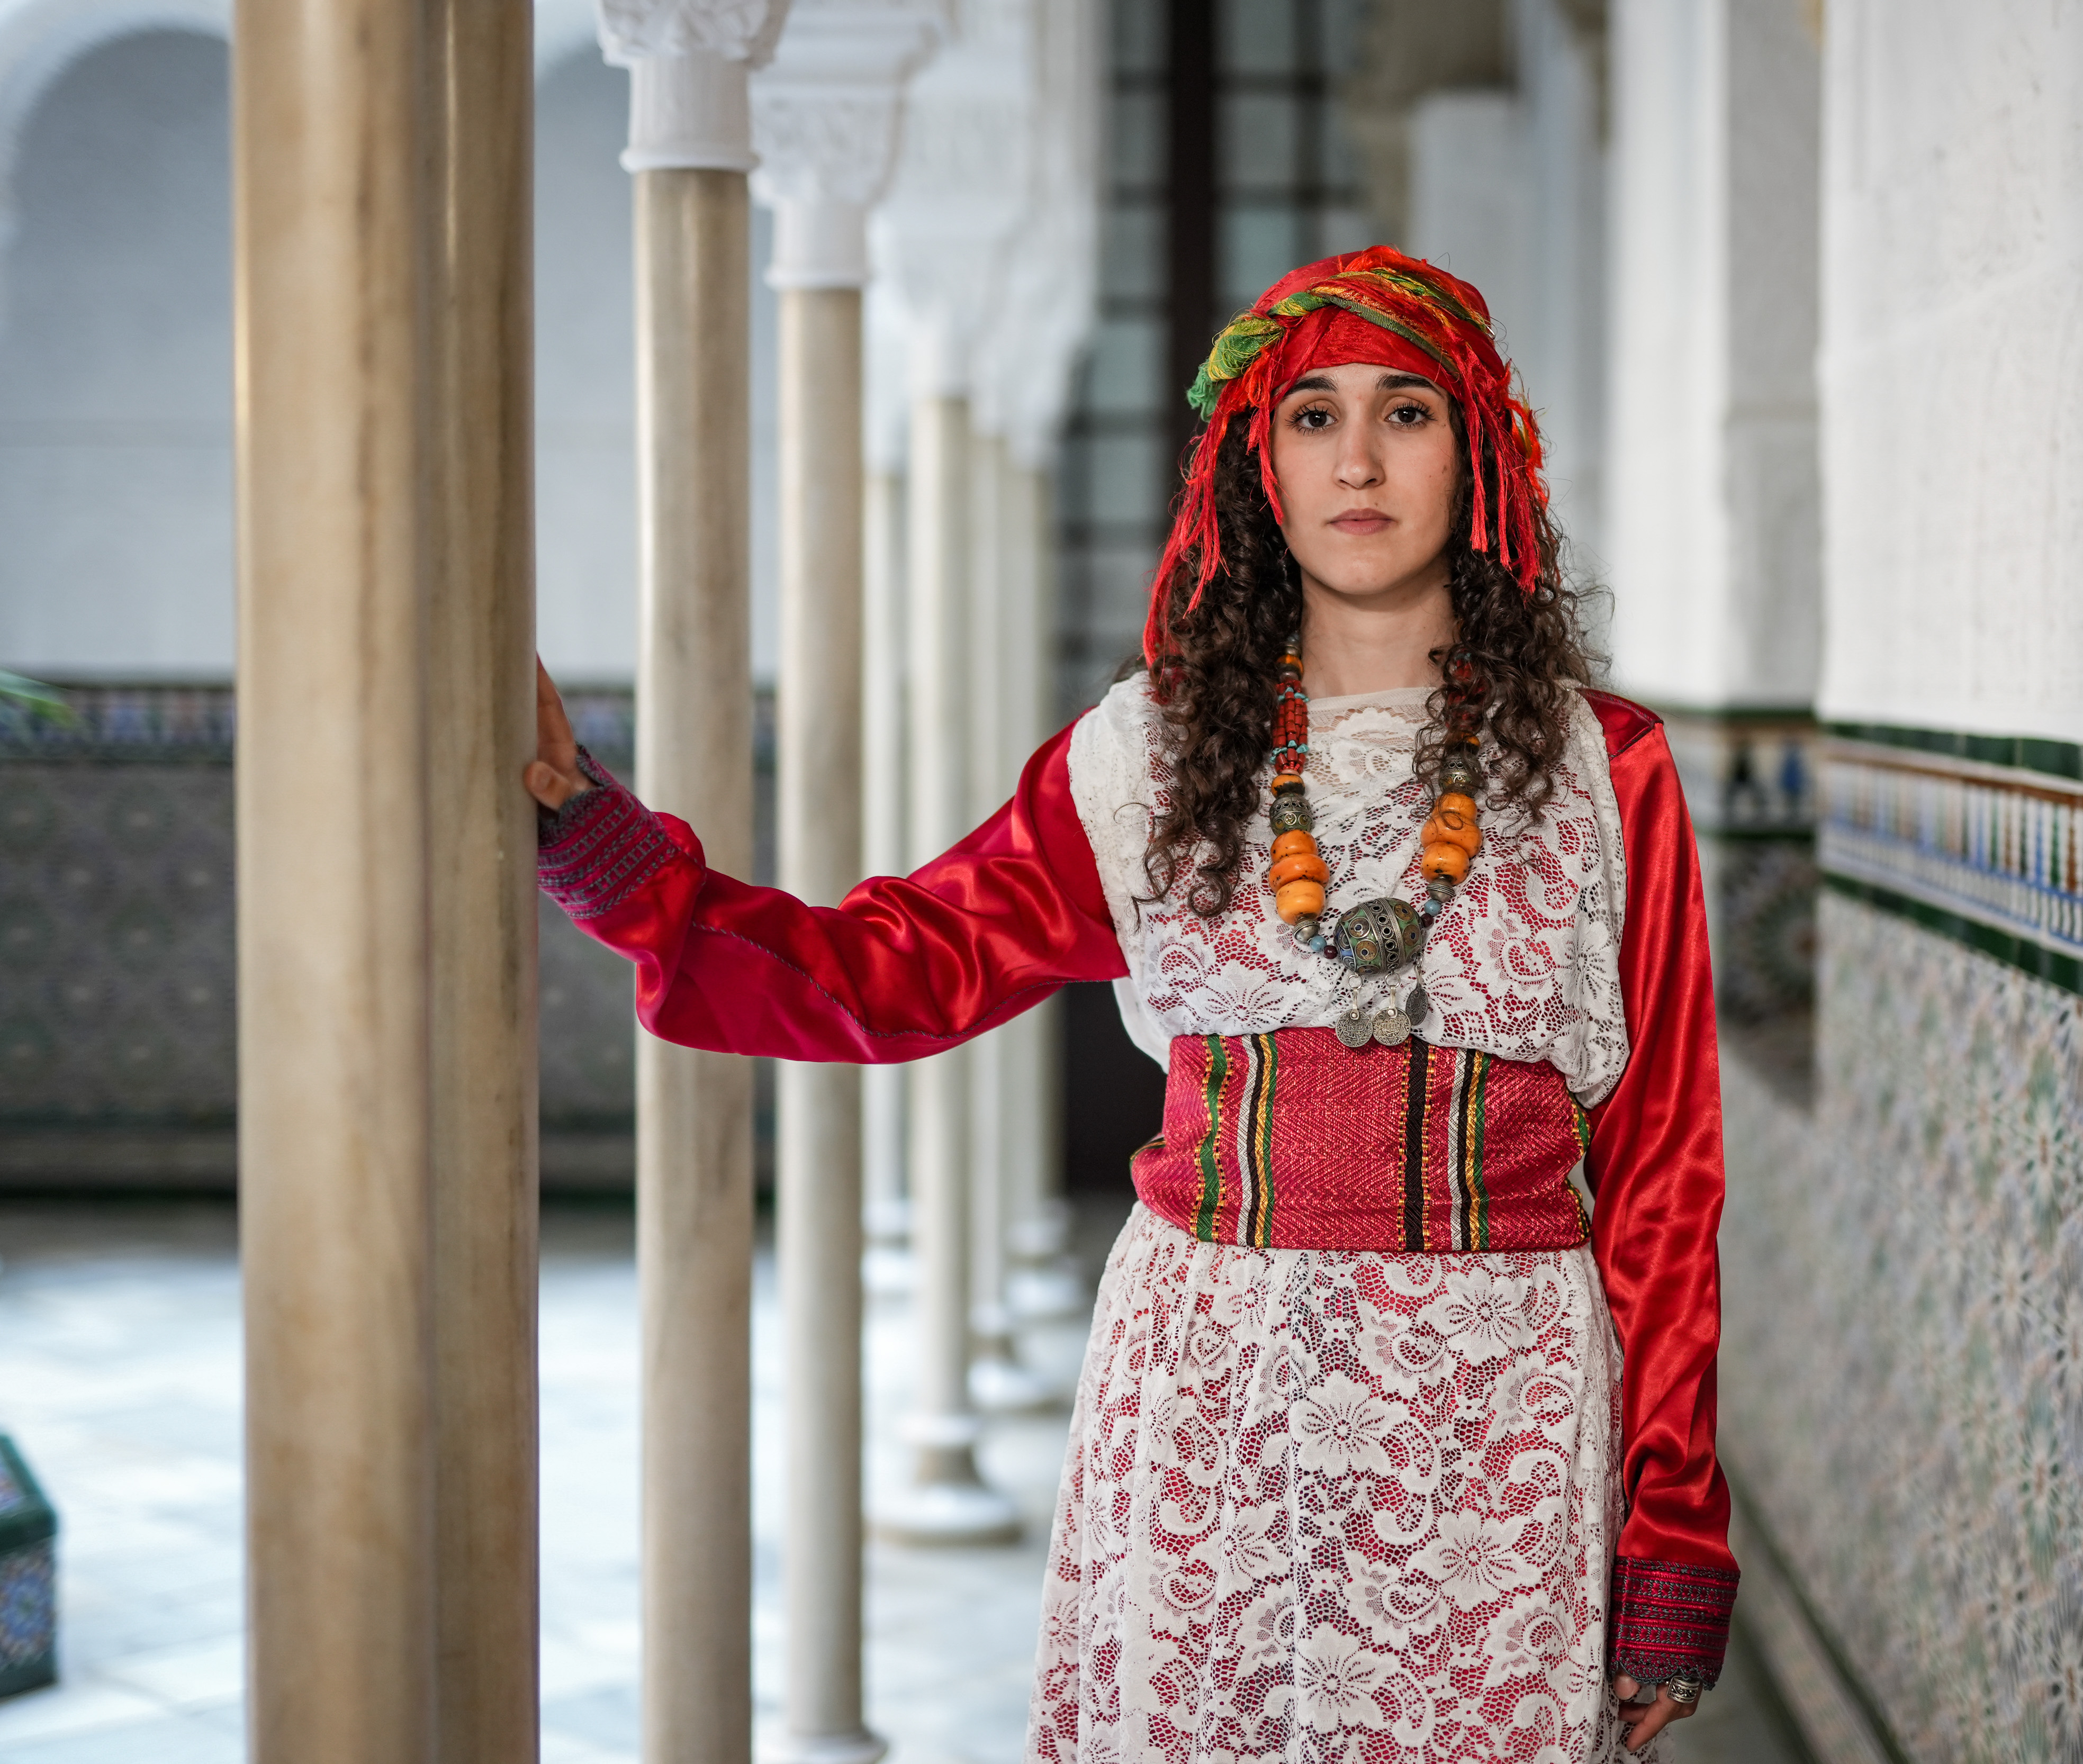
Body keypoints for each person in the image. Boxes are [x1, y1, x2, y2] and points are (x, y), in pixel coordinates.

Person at [525, 246, 1736, 1762]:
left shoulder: (1604, 772)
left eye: (1407, 413)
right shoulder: (1145, 760)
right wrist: (603, 849)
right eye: (1312, 418)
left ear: (1479, 452)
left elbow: (1667, 1179)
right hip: (1205, 1380)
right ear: (1256, 465)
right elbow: (891, 971)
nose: (1357, 459)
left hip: (1501, 1403)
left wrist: (1671, 1528)